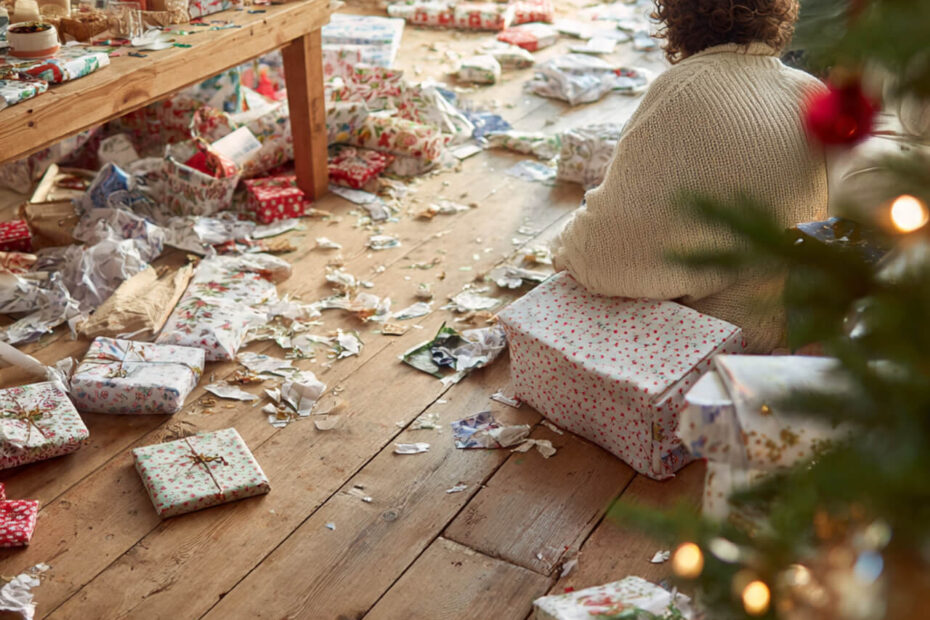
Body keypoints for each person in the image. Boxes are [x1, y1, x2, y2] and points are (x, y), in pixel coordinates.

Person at [551, 0, 828, 353]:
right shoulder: (811, 90)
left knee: (569, 269)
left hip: (714, 343)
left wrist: (563, 247)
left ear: (677, 18)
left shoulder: (681, 90)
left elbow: (604, 255)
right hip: (793, 327)